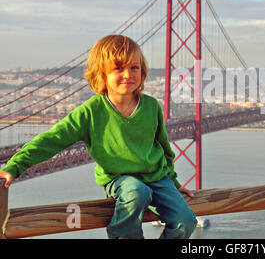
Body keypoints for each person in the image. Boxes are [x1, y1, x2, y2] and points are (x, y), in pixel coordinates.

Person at [0, 34, 197, 239]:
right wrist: (15, 166)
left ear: (142, 70)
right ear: (101, 74)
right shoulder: (91, 112)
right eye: (118, 68)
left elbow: (164, 148)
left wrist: (174, 183)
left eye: (134, 67)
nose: (128, 74)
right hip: (119, 179)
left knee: (186, 220)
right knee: (137, 192)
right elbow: (51, 140)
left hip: (157, 178)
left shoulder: (151, 106)